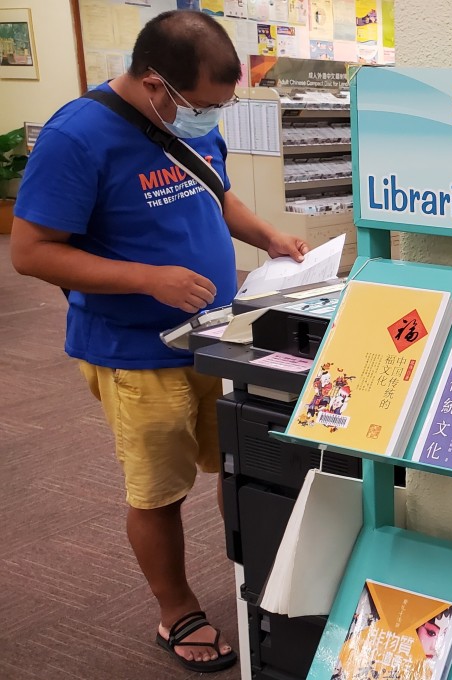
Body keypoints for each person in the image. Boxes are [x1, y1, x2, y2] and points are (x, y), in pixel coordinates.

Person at [9, 10, 309, 674]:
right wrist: (146, 278)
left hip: (217, 335)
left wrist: (269, 238)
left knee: (244, 460)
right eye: (203, 105)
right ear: (154, 85)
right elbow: (30, 253)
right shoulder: (76, 138)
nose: (211, 117)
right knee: (157, 489)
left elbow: (217, 193)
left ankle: (260, 577)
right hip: (136, 352)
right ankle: (177, 613)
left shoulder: (188, 120)